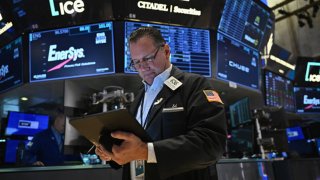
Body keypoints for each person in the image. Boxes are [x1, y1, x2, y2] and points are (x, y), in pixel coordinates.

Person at [95, 27, 227, 180]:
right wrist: (113, 153)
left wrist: (147, 151)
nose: (143, 67)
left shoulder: (194, 86)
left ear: (166, 51)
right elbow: (132, 147)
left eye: (148, 58)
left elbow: (212, 145)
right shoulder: (139, 97)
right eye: (136, 62)